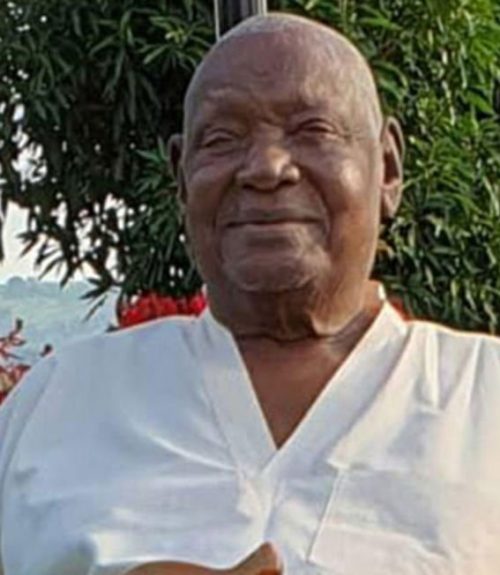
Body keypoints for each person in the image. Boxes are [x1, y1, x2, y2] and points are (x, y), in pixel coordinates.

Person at [1, 12, 500, 575]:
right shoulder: (57, 404)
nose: (266, 168)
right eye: (222, 139)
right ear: (181, 175)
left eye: (312, 130)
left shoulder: (483, 398)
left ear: (387, 168)